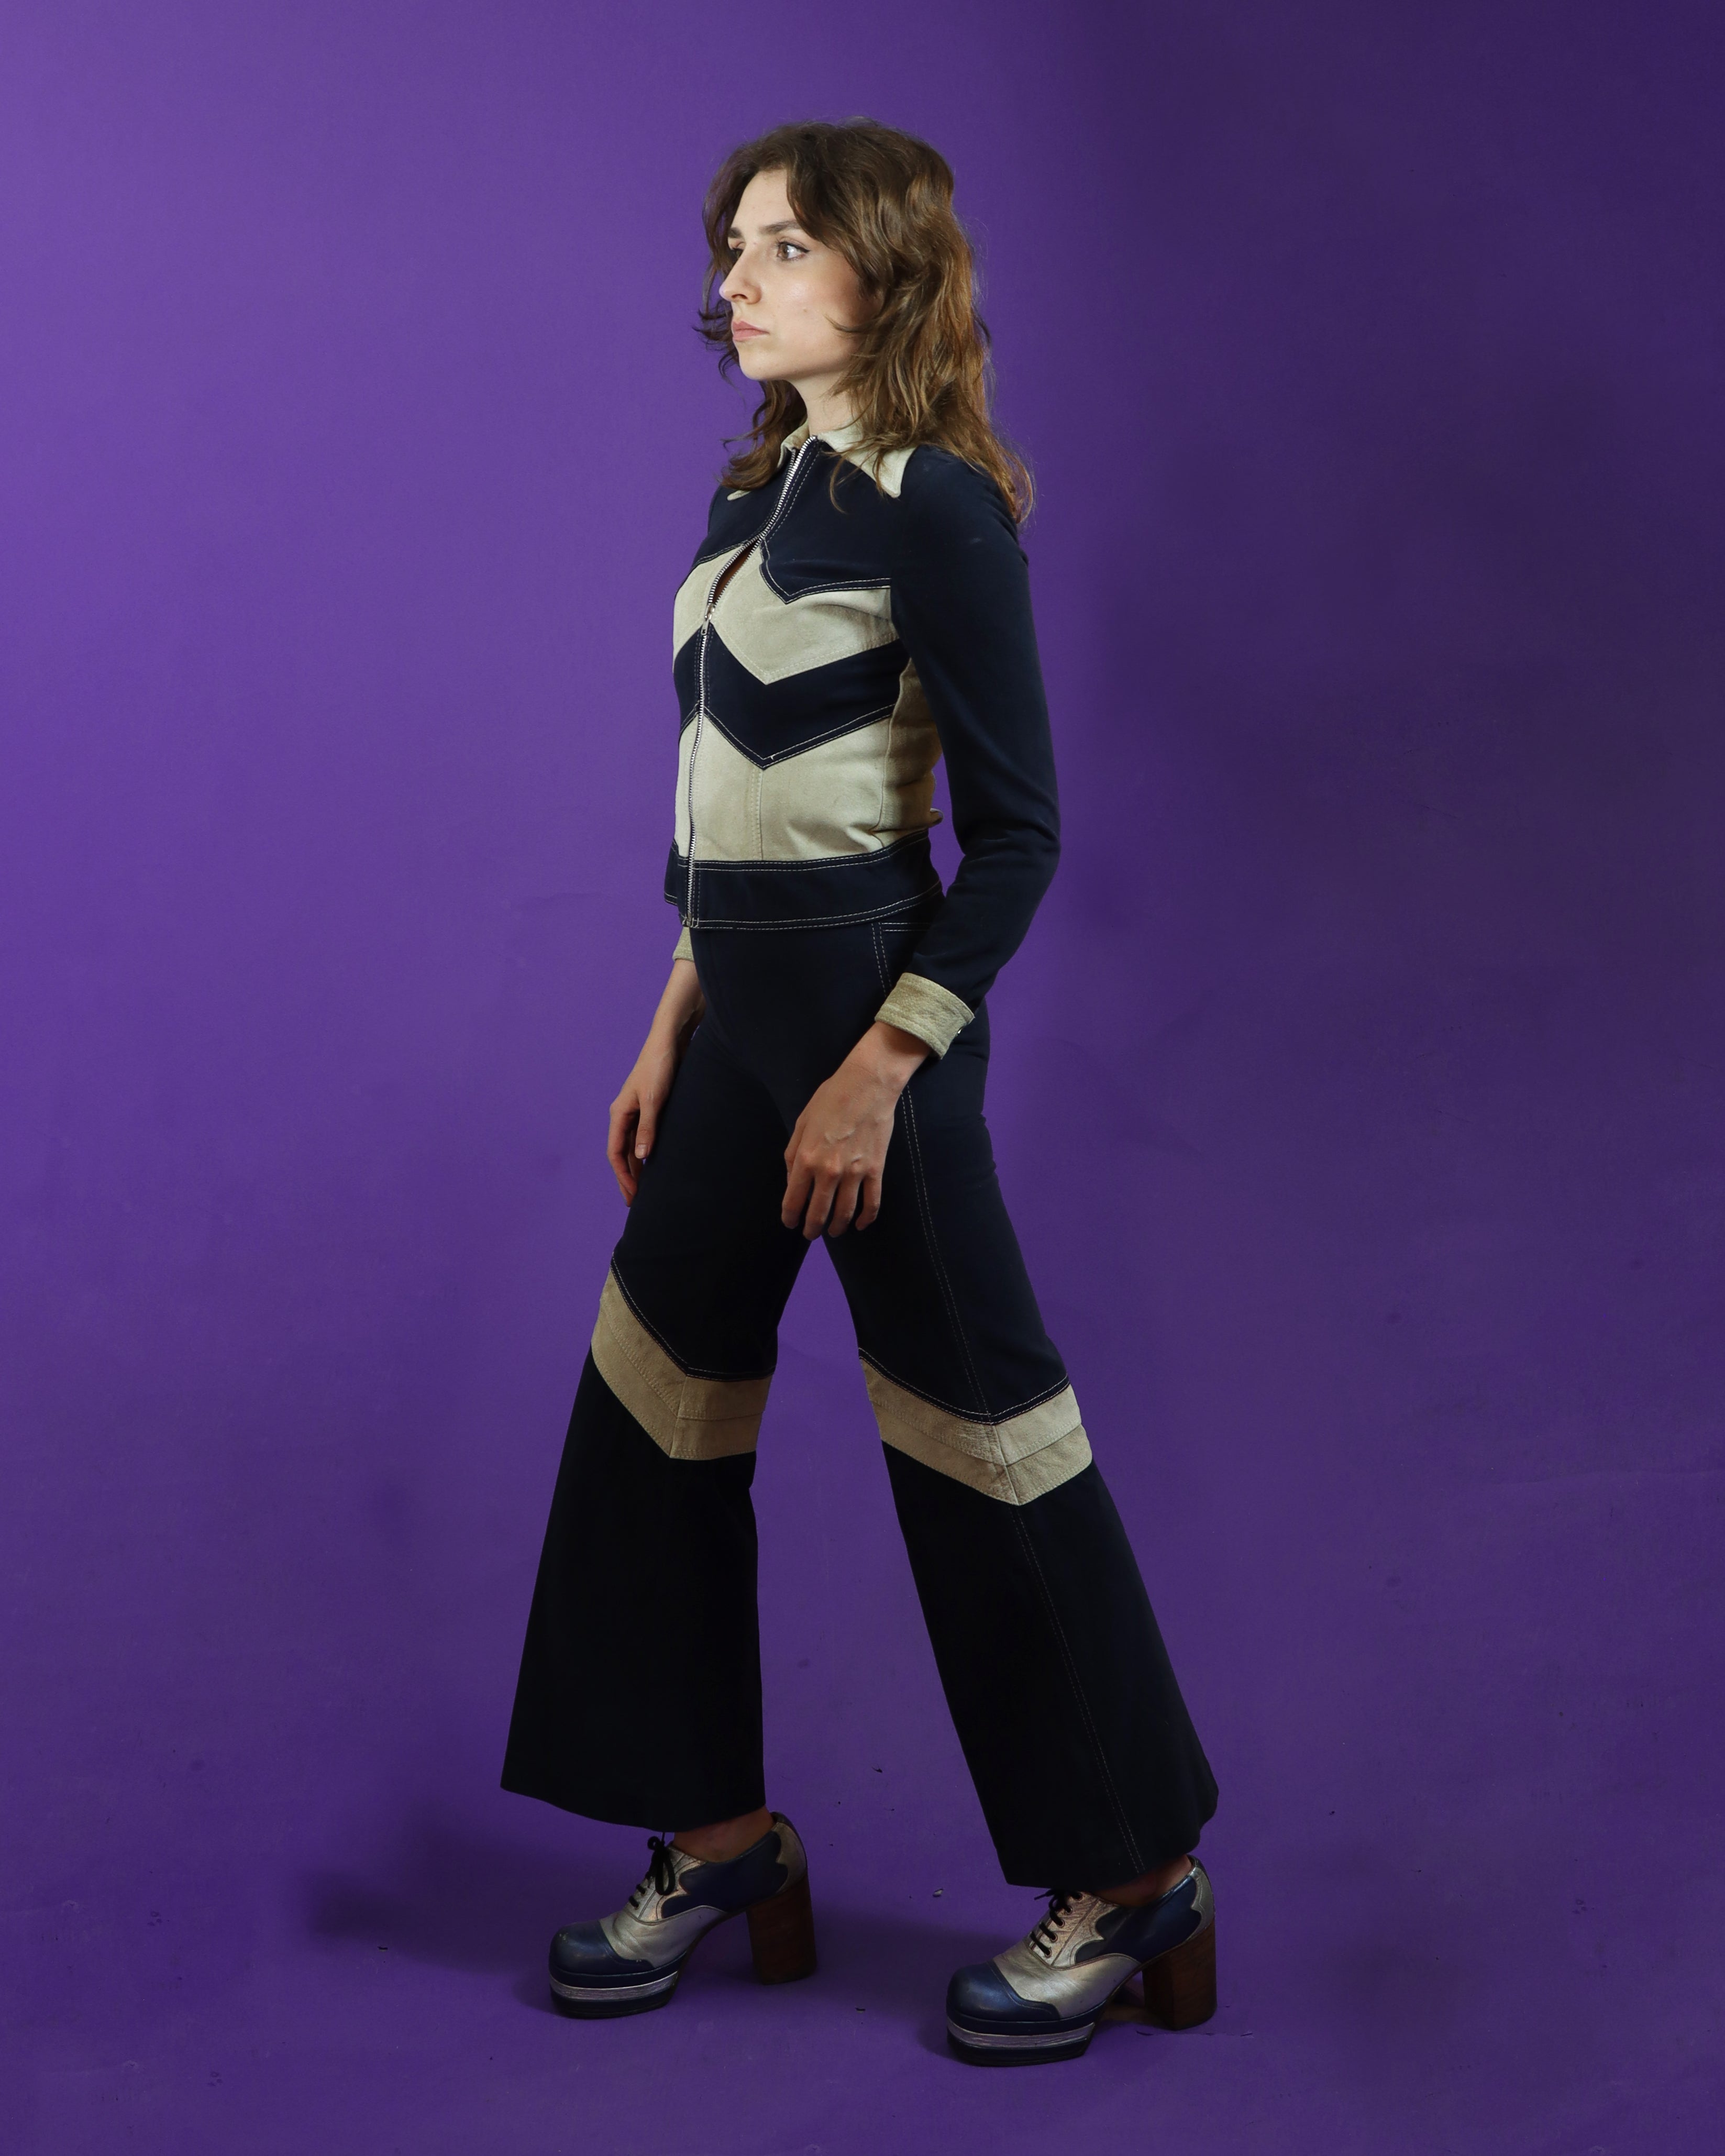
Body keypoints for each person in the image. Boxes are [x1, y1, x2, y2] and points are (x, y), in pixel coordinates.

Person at [501, 117, 1219, 2066]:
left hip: (870, 1023)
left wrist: (880, 1069)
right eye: (732, 246)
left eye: (784, 246)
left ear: (884, 274)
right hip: (733, 1021)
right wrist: (673, 1019)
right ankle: (719, 1840)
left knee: (984, 1444)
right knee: (648, 1418)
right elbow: (727, 803)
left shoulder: (942, 509)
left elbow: (1017, 841)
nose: (735, 279)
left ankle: (1134, 1874)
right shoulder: (749, 500)